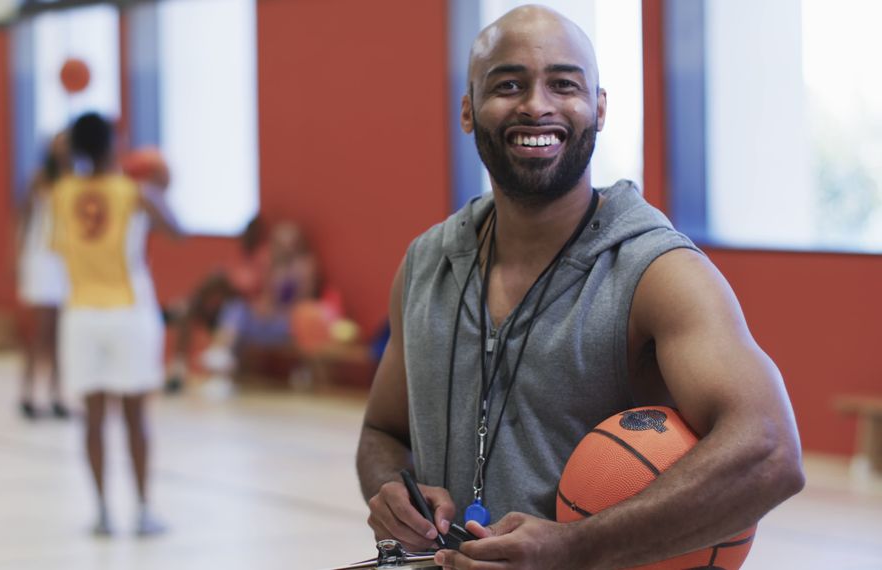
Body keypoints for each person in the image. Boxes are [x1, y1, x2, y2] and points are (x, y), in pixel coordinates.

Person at [355, 6, 805, 569]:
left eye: (563, 84)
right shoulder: (427, 264)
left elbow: (770, 450)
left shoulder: (656, 271)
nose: (536, 104)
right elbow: (381, 430)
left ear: (599, 107)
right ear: (468, 110)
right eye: (508, 85)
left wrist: (576, 548)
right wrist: (395, 492)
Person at [51, 112, 181, 536]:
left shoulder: (62, 193)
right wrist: (160, 187)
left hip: (81, 313)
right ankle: (143, 509)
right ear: (114, 144)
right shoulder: (134, 191)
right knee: (134, 416)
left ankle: (103, 512)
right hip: (128, 311)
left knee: (92, 417)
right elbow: (178, 232)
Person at [198, 220, 320, 396]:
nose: (285, 247)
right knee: (236, 309)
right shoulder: (272, 265)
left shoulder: (305, 266)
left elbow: (302, 304)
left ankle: (220, 358)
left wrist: (275, 311)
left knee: (237, 317)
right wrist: (261, 309)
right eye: (280, 242)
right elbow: (267, 299)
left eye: (289, 242)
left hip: (289, 324)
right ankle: (220, 364)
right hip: (268, 320)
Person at [164, 215, 270, 394]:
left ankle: (186, 303)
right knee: (189, 313)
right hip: (223, 310)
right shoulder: (237, 256)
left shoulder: (264, 258)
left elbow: (253, 290)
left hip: (243, 314)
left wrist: (230, 284)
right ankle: (178, 367)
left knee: (222, 287)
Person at [14, 131, 71, 420]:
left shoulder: (77, 181)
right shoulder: (39, 179)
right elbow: (23, 220)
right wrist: (16, 257)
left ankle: (58, 393)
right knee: (41, 330)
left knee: (63, 332)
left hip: (66, 261)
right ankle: (28, 392)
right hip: (41, 259)